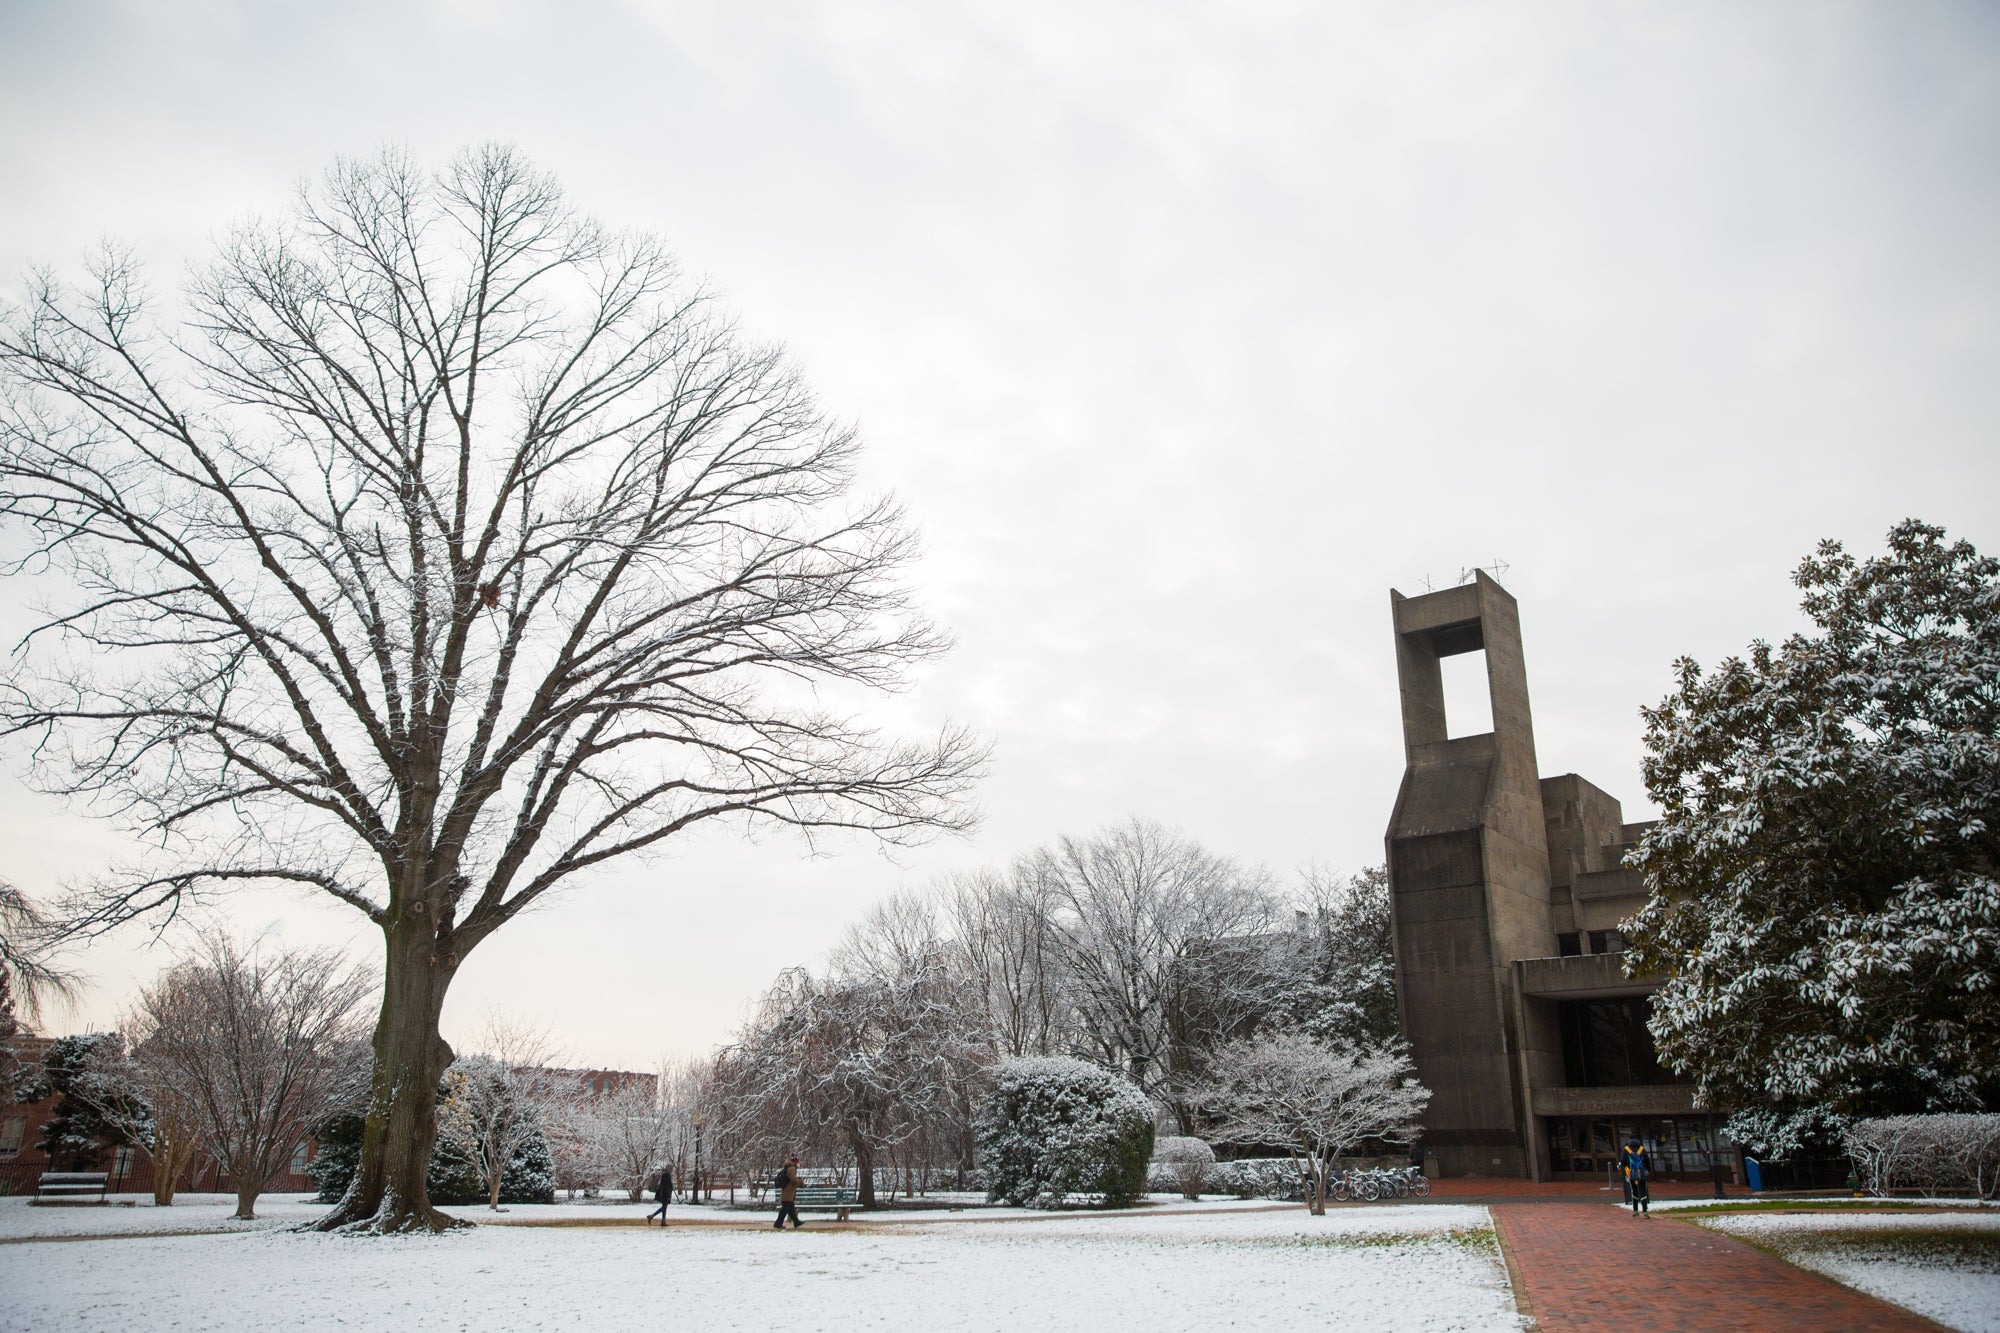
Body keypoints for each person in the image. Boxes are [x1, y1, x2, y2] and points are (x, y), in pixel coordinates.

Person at [1620, 1137, 1651, 1216]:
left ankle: (1635, 1210)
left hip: (1631, 1173)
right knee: (1643, 1191)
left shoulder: (1626, 1149)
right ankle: (1645, 1211)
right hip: (1641, 1173)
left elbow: (1622, 1161)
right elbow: (1647, 1160)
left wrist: (1627, 1166)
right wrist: (1648, 1170)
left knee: (1634, 1190)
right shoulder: (1642, 1149)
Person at [772, 1156, 803, 1230]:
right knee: (785, 1208)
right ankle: (778, 1223)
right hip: (788, 1192)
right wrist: (800, 1182)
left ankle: (796, 1222)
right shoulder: (792, 1168)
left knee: (790, 1208)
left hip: (787, 1191)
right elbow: (793, 1179)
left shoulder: (788, 1168)